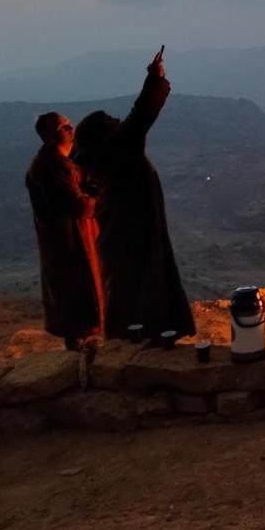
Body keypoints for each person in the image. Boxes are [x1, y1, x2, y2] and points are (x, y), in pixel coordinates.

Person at [72, 47, 195, 340]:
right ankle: (137, 335)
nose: (117, 120)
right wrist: (155, 79)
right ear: (103, 133)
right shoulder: (117, 150)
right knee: (140, 281)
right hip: (134, 227)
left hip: (125, 227)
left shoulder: (100, 156)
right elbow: (141, 114)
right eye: (111, 120)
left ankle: (139, 333)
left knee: (132, 281)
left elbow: (134, 119)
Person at [25, 111, 103, 350]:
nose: (71, 130)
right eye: (63, 127)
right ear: (50, 136)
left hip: (73, 234)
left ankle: (85, 335)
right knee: (75, 285)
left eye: (69, 125)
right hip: (67, 239)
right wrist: (101, 201)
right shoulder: (52, 166)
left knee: (79, 284)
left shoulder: (63, 162)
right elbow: (76, 204)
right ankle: (80, 338)